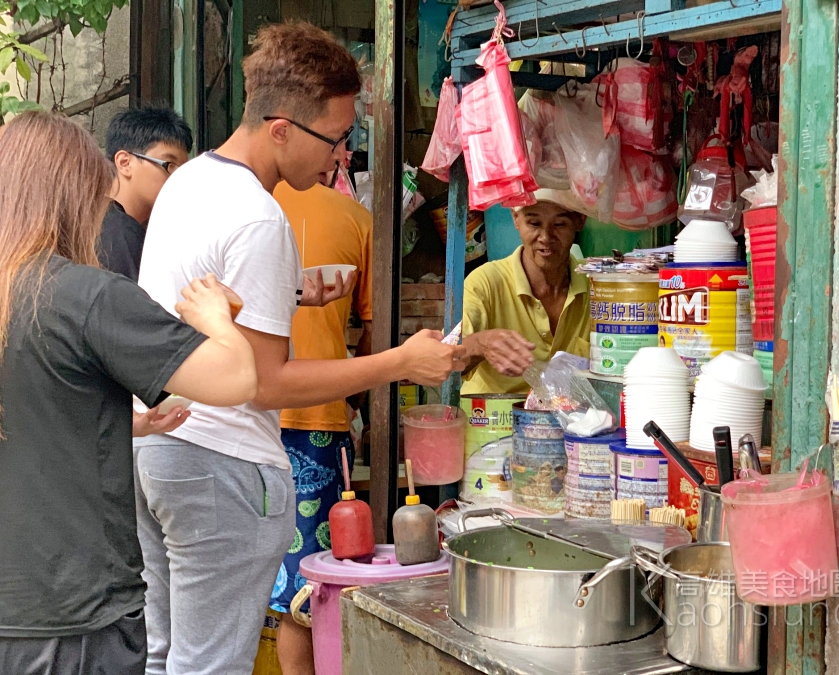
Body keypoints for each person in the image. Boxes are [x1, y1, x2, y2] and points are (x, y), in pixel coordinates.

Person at [136, 22, 466, 674]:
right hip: (218, 460)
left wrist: (292, 292)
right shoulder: (261, 218)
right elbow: (264, 381)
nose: (343, 156)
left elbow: (200, 303)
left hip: (156, 451)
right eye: (336, 138)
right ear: (281, 127)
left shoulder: (190, 181)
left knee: (164, 654)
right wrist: (400, 361)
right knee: (208, 664)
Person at [0, 112, 258, 675]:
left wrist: (121, 421)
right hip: (75, 615)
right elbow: (237, 379)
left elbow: (35, 407)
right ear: (77, 196)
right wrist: (217, 317)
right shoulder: (83, 294)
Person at [268, 178, 373, 675]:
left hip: (235, 416)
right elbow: (373, 331)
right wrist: (352, 399)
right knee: (309, 588)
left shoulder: (233, 204)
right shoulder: (355, 218)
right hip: (316, 422)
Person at [461, 189, 592, 394]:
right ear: (515, 219)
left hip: (576, 422)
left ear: (580, 221)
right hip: (491, 420)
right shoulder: (485, 283)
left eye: (559, 224)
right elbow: (446, 358)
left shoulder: (599, 286)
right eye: (534, 223)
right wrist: (480, 344)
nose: (546, 237)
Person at [98, 107, 193, 281]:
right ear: (124, 163)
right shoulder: (118, 233)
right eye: (169, 165)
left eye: (183, 169)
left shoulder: (96, 220)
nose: (178, 178)